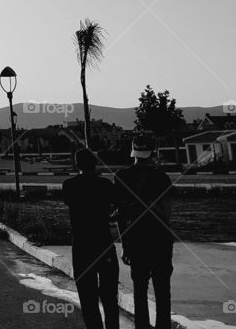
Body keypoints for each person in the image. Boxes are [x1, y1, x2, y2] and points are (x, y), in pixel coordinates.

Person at [115, 134, 175, 329]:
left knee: (139, 289)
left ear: (132, 151)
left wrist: (124, 245)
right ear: (153, 153)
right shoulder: (162, 177)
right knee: (162, 289)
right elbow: (166, 212)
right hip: (160, 238)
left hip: (135, 238)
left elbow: (121, 216)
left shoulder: (121, 177)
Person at [62, 147, 120, 329]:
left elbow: (70, 203)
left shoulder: (69, 185)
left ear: (76, 164)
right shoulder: (105, 185)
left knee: (88, 298)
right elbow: (118, 206)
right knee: (110, 296)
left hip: (81, 245)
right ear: (95, 163)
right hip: (103, 243)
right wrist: (111, 216)